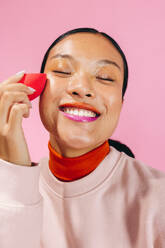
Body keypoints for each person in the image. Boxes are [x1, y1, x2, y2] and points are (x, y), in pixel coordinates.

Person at [0, 27, 164, 248]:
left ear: (120, 104)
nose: (82, 88)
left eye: (105, 77)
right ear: (35, 89)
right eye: (62, 71)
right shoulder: (8, 192)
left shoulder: (158, 197)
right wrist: (13, 173)